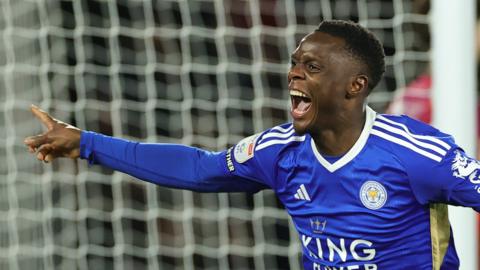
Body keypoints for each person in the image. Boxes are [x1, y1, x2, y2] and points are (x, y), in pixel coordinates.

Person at [24, 20, 477, 269]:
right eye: (296, 63)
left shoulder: (414, 153)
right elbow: (199, 169)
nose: (294, 74)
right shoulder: (278, 151)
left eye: (312, 67)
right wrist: (88, 143)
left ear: (354, 86)